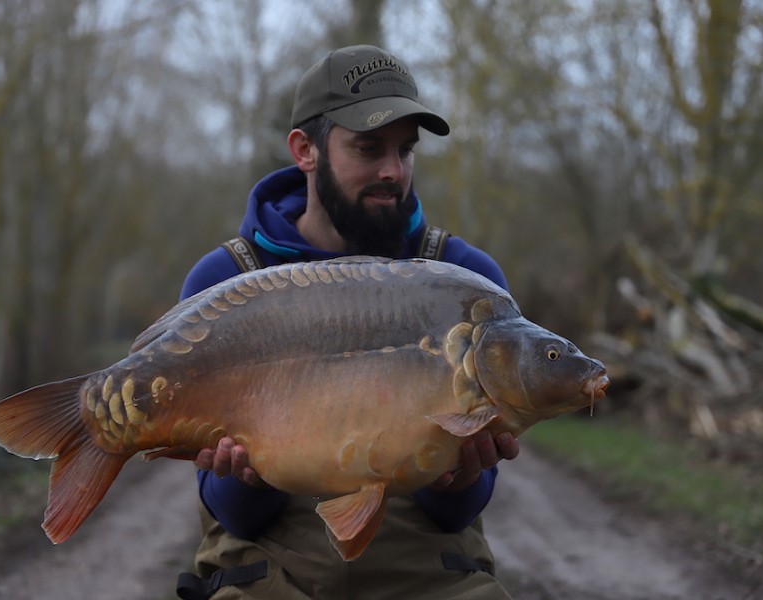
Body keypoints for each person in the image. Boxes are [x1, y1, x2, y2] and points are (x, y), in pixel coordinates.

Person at [176, 45, 520, 600]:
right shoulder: (225, 282)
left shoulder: (467, 281)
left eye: (406, 151)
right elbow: (235, 520)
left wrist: (460, 473)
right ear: (304, 150)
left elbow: (458, 512)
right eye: (369, 147)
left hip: (428, 577)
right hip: (268, 574)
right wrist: (247, 474)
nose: (393, 171)